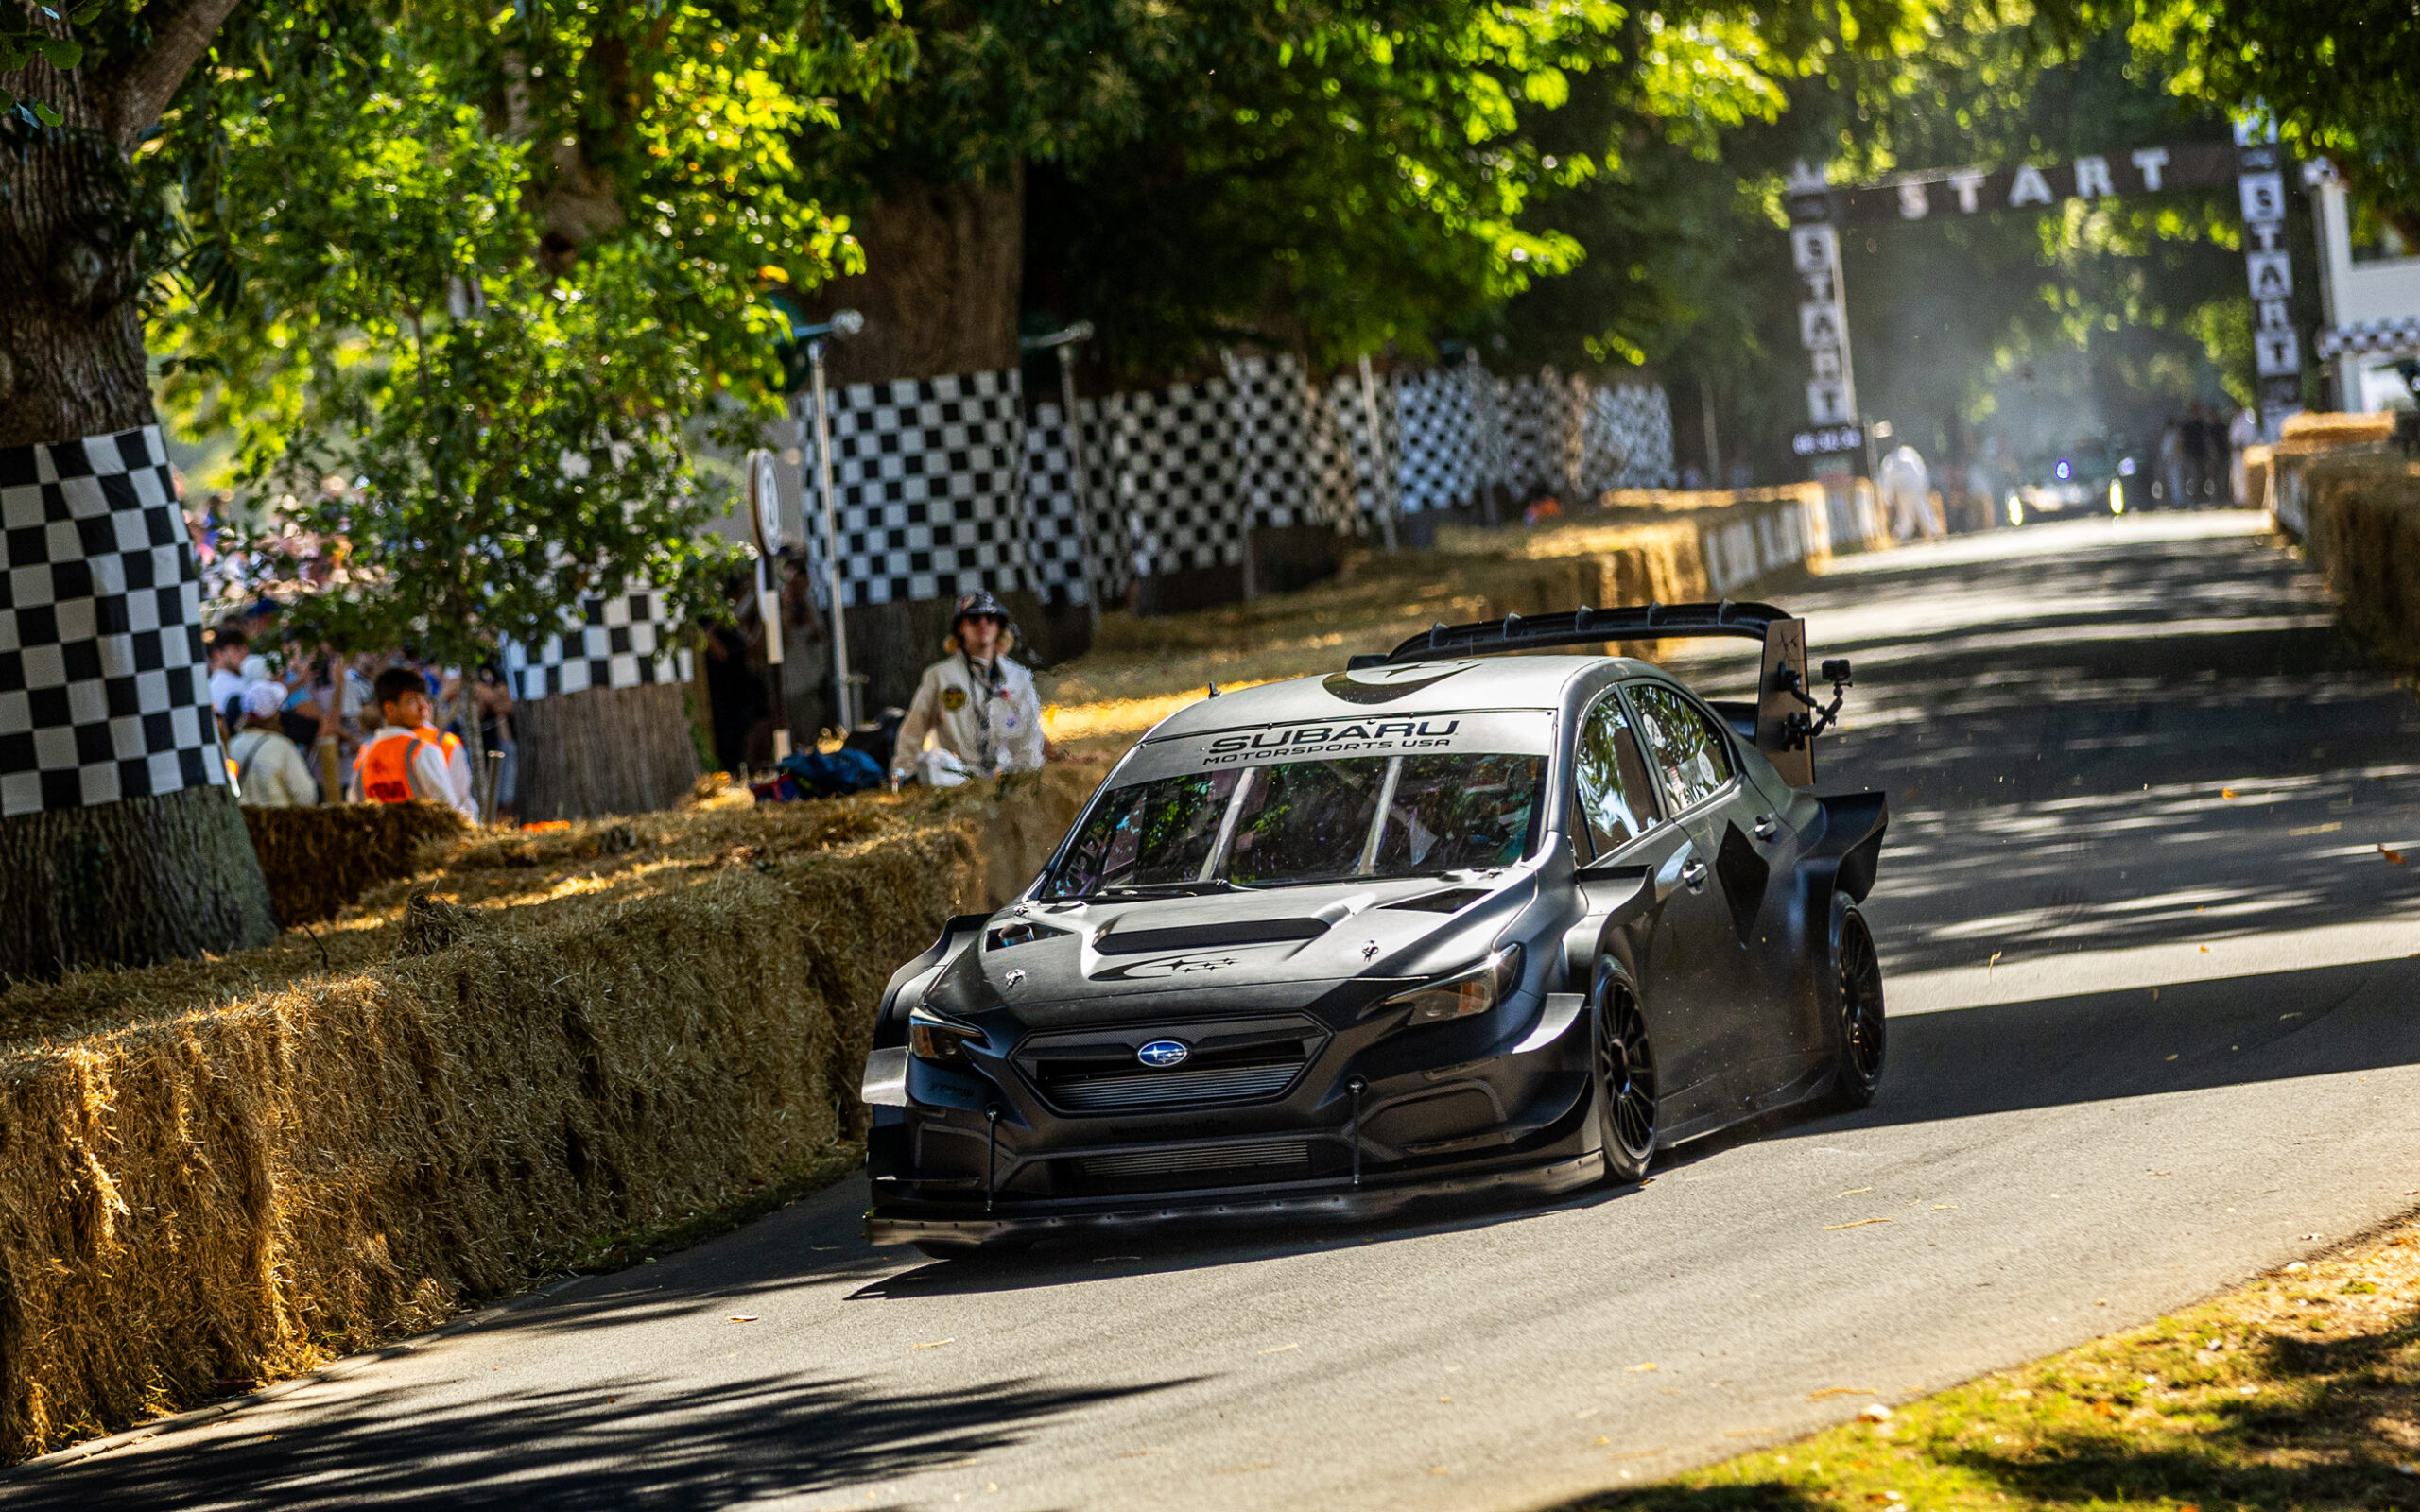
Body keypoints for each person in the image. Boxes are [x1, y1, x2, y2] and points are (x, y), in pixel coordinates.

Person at [889, 590, 1046, 785]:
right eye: (974, 618)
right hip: (956, 783)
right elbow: (914, 730)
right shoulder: (939, 676)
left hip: (1007, 782)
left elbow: (1029, 737)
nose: (983, 624)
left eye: (990, 618)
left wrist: (1030, 780)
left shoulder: (1019, 677)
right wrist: (903, 776)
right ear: (960, 627)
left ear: (999, 626)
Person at [349, 666, 478, 820]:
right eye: (412, 700)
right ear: (390, 708)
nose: (424, 706)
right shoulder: (424, 751)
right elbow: (453, 814)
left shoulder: (366, 756)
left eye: (424, 698)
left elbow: (354, 805)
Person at [229, 681, 320, 807]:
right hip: (277, 823)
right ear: (275, 715)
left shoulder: (232, 745)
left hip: (242, 822)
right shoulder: (282, 747)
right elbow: (306, 795)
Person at [204, 627, 250, 734]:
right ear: (218, 654)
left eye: (245, 648)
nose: (245, 653)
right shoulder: (241, 685)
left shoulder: (207, 687)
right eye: (237, 649)